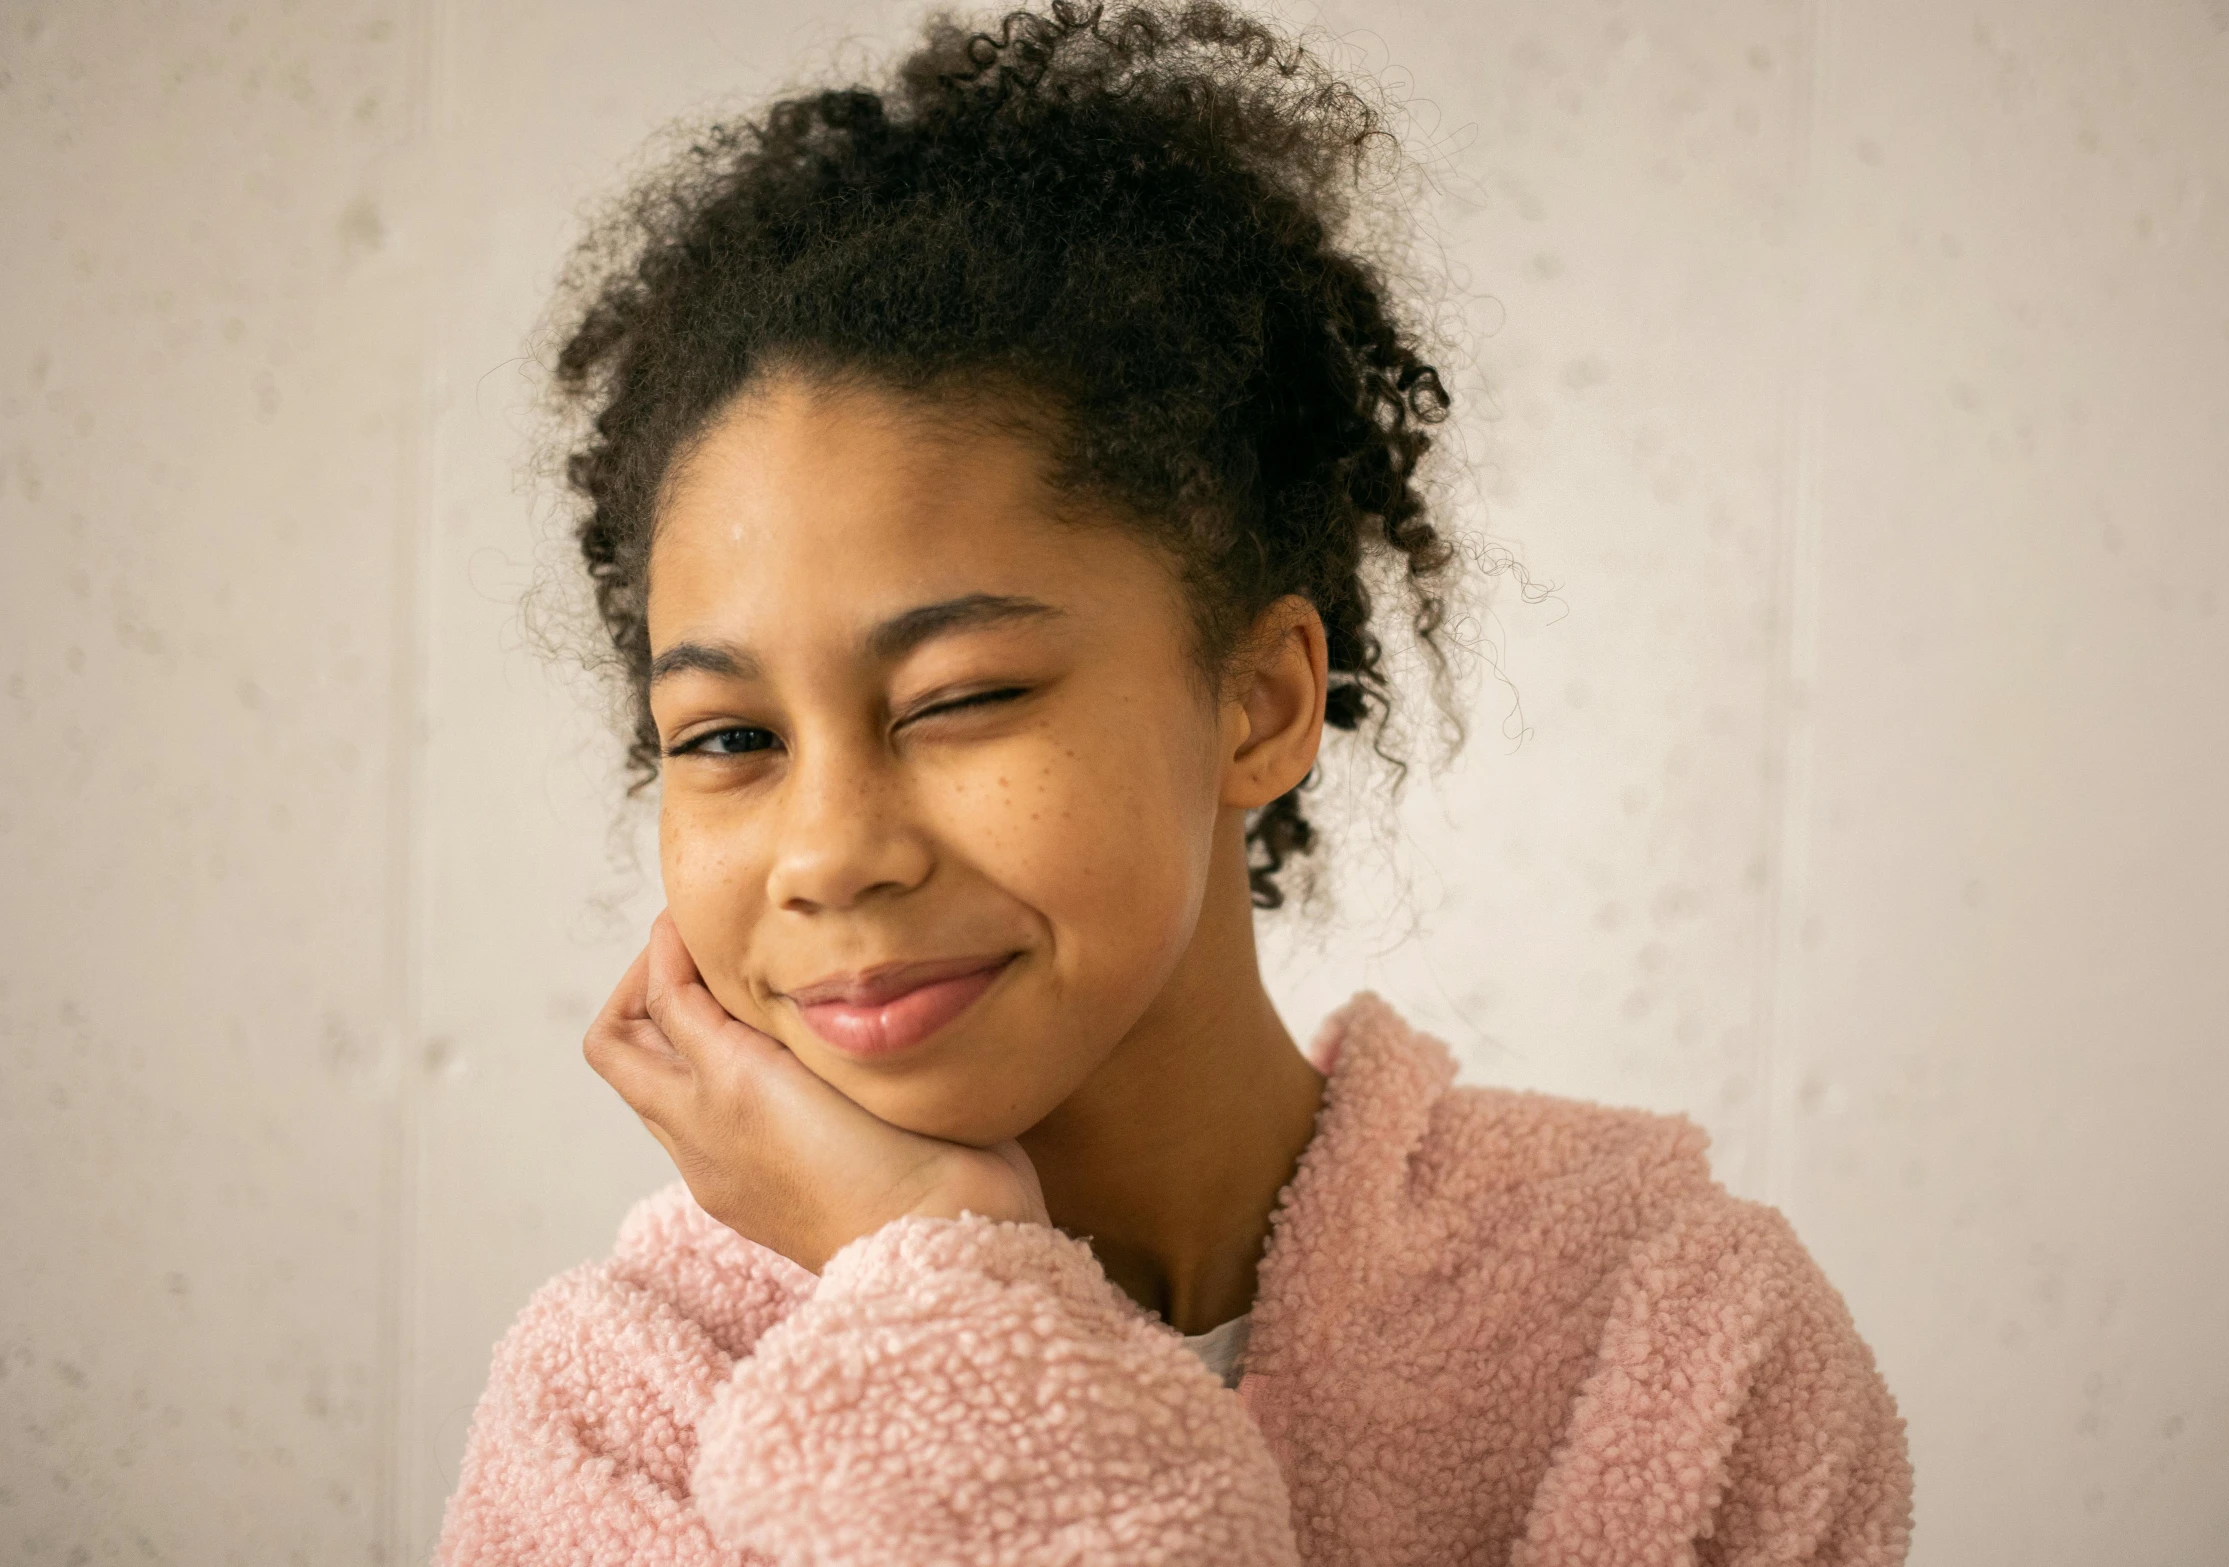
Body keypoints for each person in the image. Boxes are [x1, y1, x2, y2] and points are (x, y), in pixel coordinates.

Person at [431, 3, 1912, 1561]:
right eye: (728, 738)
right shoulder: (625, 1416)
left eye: (962, 698)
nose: (828, 851)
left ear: (1261, 700)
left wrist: (933, 1275)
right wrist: (939, 1271)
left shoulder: (1673, 1340)